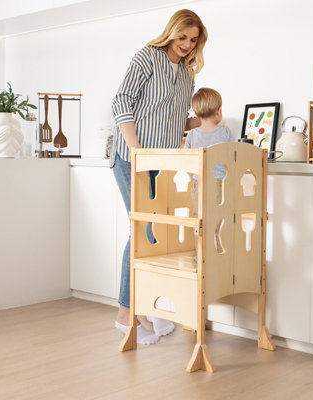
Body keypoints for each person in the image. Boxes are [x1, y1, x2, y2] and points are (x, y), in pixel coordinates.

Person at [111, 9, 207, 344]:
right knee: (142, 229)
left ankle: (151, 306)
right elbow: (121, 101)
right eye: (183, 37)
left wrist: (200, 122)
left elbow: (172, 120)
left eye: (193, 40)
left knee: (158, 232)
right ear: (172, 32)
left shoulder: (187, 74)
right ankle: (126, 313)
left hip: (163, 162)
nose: (186, 44)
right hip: (130, 158)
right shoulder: (146, 57)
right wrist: (136, 149)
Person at [184, 88, 233, 257]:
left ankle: (200, 255)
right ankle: (218, 254)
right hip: (220, 184)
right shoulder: (225, 132)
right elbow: (233, 158)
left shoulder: (192, 135)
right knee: (219, 219)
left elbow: (186, 159)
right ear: (218, 111)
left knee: (199, 218)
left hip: (199, 184)